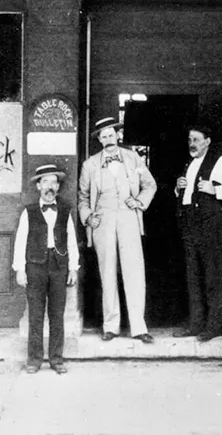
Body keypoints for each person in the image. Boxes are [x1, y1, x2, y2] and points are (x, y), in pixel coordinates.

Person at [78, 117, 157, 344]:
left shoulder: (133, 158)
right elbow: (83, 197)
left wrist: (139, 201)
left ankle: (139, 327)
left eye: (111, 134)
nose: (108, 139)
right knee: (108, 271)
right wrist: (88, 216)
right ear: (99, 140)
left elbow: (150, 184)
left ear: (118, 135)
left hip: (129, 218)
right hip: (102, 220)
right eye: (103, 136)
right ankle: (110, 326)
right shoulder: (90, 165)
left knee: (134, 271)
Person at [173, 124, 222, 342]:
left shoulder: (220, 162)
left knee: (212, 276)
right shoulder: (190, 163)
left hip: (210, 227)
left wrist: (216, 190)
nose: (191, 144)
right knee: (193, 276)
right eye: (189, 140)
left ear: (207, 141)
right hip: (190, 225)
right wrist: (178, 187)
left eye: (196, 139)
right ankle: (196, 324)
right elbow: (187, 195)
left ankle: (214, 326)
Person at [12, 164, 80, 374]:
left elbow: (71, 241)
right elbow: (20, 241)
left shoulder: (65, 211)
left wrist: (73, 268)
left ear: (58, 187)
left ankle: (56, 359)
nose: (49, 187)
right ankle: (33, 359)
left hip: (59, 266)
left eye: (53, 182)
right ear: (39, 186)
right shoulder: (29, 212)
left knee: (57, 314)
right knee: (36, 313)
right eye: (45, 182)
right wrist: (20, 269)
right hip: (35, 266)